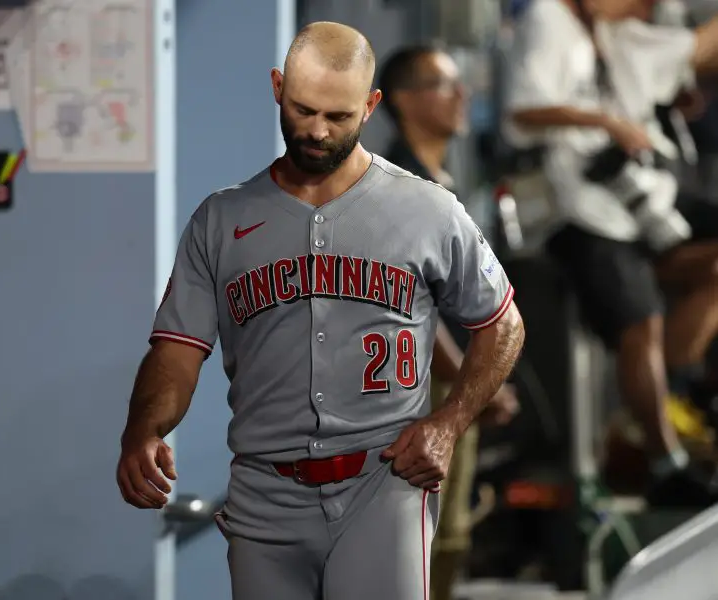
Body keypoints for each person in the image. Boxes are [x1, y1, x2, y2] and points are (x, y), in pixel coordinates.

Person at [117, 21, 525, 600]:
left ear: (371, 105)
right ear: (277, 86)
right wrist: (144, 428)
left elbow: (502, 323)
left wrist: (448, 422)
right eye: (304, 109)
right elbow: (178, 349)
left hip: (383, 481)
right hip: (264, 491)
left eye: (338, 117)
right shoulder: (222, 220)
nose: (316, 130)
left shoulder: (429, 209)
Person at [505, 0, 718, 507]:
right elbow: (521, 111)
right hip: (577, 210)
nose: (640, 7)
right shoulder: (546, 18)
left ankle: (670, 383)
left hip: (633, 199)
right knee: (639, 325)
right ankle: (666, 461)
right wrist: (605, 122)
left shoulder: (601, 30)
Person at [379, 43, 520, 600]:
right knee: (422, 537)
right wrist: (470, 379)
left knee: (451, 534)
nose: (463, 95)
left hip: (456, 380)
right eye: (445, 85)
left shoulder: (444, 180)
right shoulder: (400, 186)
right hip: (424, 387)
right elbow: (409, 303)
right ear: (406, 102)